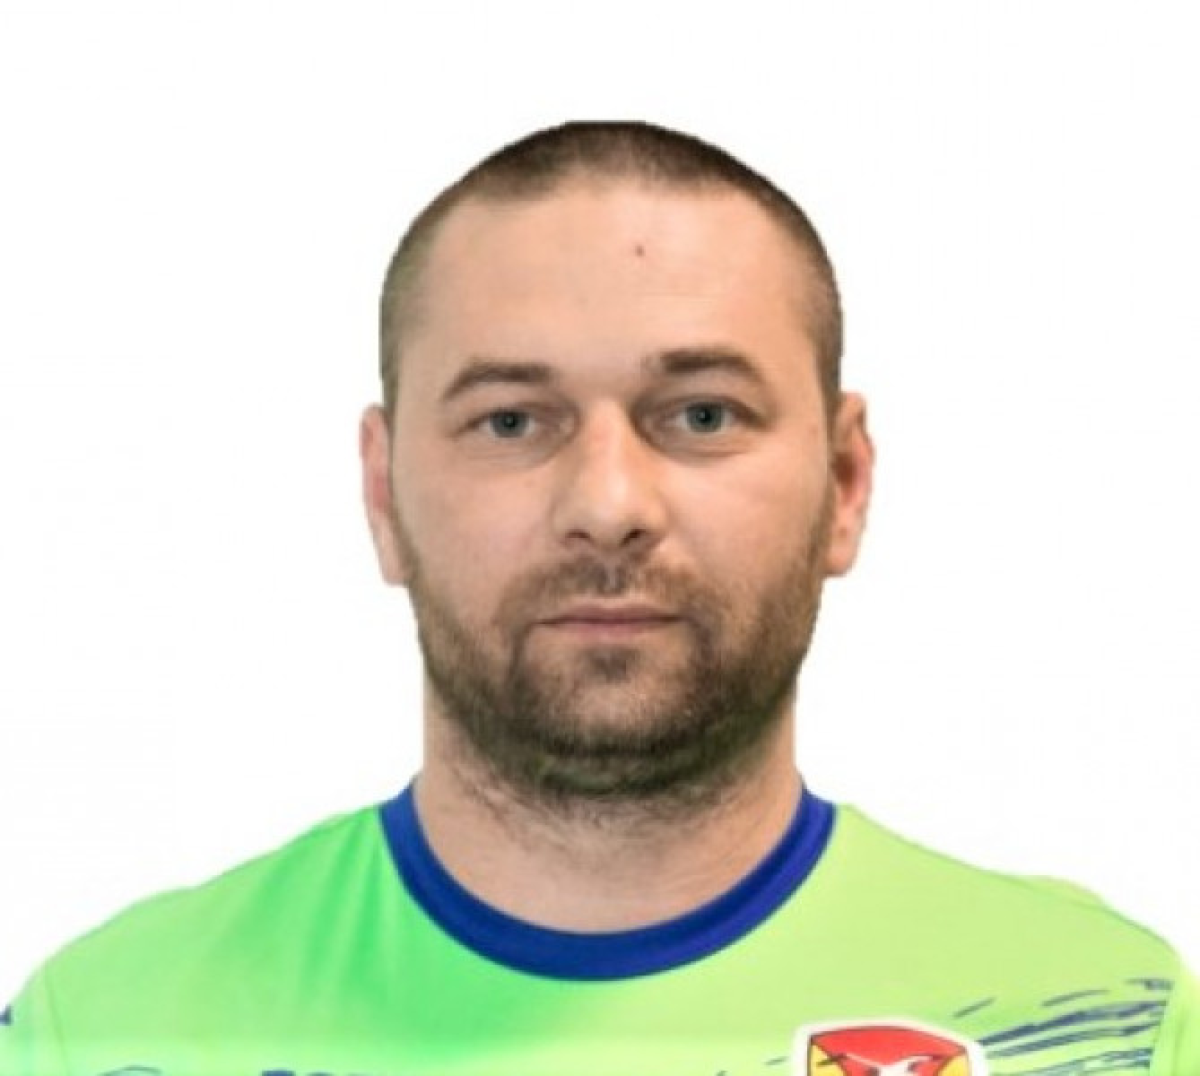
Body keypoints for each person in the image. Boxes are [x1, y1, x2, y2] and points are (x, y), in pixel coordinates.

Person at [2, 120, 1195, 1076]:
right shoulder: (106, 1029)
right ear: (383, 493)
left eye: (703, 413)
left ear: (843, 483)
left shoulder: (1108, 1023)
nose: (609, 502)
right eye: (510, 420)